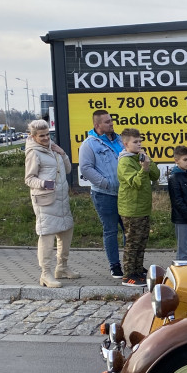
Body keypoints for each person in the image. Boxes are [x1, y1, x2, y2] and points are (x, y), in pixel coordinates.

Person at [23, 120, 77, 287]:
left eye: (47, 134)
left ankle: (62, 267)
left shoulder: (53, 149)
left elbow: (68, 170)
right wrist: (44, 183)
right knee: (47, 236)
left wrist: (63, 153)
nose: (46, 138)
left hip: (61, 199)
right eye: (42, 136)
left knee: (66, 232)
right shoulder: (33, 153)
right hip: (45, 200)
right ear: (33, 136)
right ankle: (45, 273)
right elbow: (29, 179)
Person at [78, 108, 123, 279]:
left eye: (111, 120)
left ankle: (132, 264)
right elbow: (86, 168)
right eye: (107, 122)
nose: (111, 123)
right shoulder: (89, 144)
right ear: (97, 125)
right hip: (104, 195)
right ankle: (115, 265)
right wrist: (105, 183)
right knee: (111, 230)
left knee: (129, 230)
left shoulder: (119, 139)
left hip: (124, 194)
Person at [117, 127, 160, 287]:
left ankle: (137, 269)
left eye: (140, 141)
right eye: (135, 142)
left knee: (142, 240)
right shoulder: (125, 162)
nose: (139, 144)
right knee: (133, 242)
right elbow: (136, 182)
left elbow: (155, 175)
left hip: (143, 208)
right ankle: (128, 275)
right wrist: (144, 169)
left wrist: (148, 162)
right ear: (126, 144)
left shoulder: (140, 157)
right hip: (131, 209)